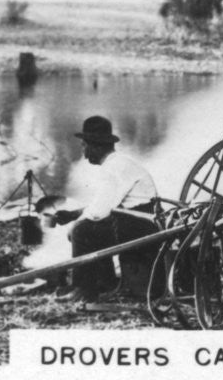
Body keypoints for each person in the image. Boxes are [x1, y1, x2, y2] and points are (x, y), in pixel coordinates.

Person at [57, 115, 160, 303]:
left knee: (83, 231)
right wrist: (73, 215)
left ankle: (84, 289)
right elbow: (104, 204)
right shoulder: (119, 163)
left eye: (84, 147)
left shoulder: (112, 168)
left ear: (95, 146)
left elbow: (98, 212)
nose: (84, 152)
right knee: (92, 226)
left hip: (140, 226)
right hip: (141, 221)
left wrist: (76, 224)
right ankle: (106, 283)